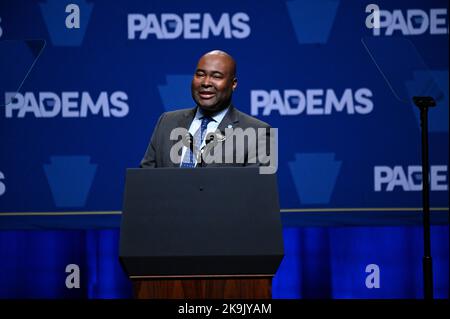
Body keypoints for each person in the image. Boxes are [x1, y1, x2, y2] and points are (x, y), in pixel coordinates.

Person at [140, 50, 275, 170]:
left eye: (216, 76)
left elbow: (257, 193)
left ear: (233, 84)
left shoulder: (259, 133)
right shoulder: (167, 121)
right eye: (200, 74)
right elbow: (145, 183)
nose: (206, 83)